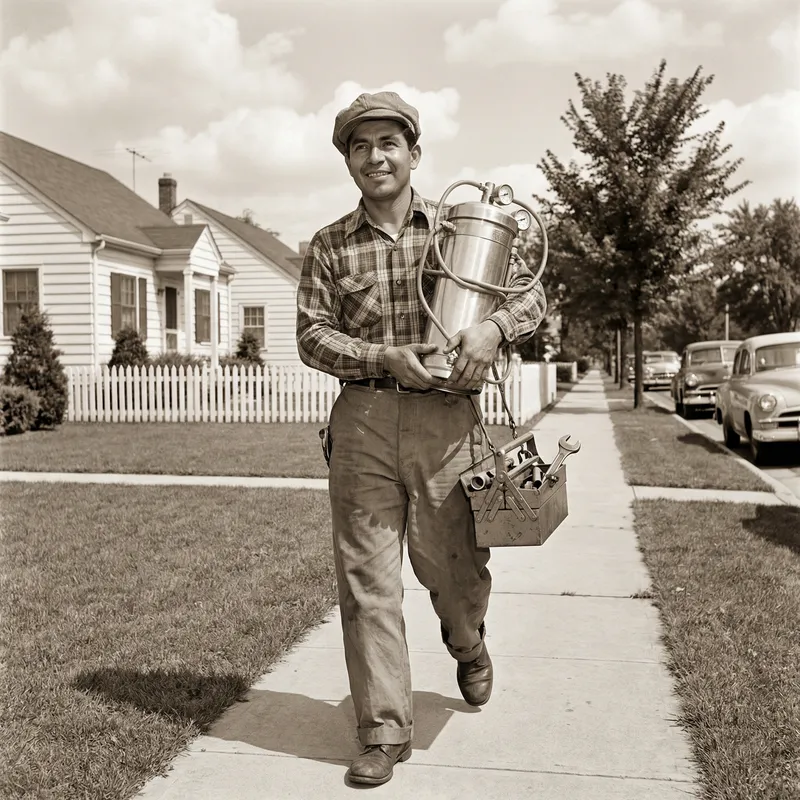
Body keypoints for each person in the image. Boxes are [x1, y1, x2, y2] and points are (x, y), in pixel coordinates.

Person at [296, 91, 547, 786]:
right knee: (366, 582)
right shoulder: (329, 245)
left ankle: (467, 641)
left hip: (447, 421)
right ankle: (383, 730)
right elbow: (312, 336)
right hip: (365, 420)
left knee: (454, 570)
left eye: (388, 144)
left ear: (413, 152)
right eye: (360, 146)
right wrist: (380, 356)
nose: (374, 157)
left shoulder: (462, 226)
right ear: (348, 159)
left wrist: (493, 328)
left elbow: (531, 296)